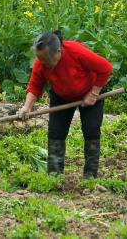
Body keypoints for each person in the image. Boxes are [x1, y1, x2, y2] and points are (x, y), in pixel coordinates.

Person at [17, 30, 113, 180]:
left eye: (46, 60)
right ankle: (55, 175)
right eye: (40, 59)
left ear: (58, 52)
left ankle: (90, 176)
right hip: (61, 95)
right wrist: (27, 107)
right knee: (56, 133)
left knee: (91, 130)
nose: (43, 63)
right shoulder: (40, 62)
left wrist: (94, 94)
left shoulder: (76, 52)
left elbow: (105, 67)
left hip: (90, 92)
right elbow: (35, 85)